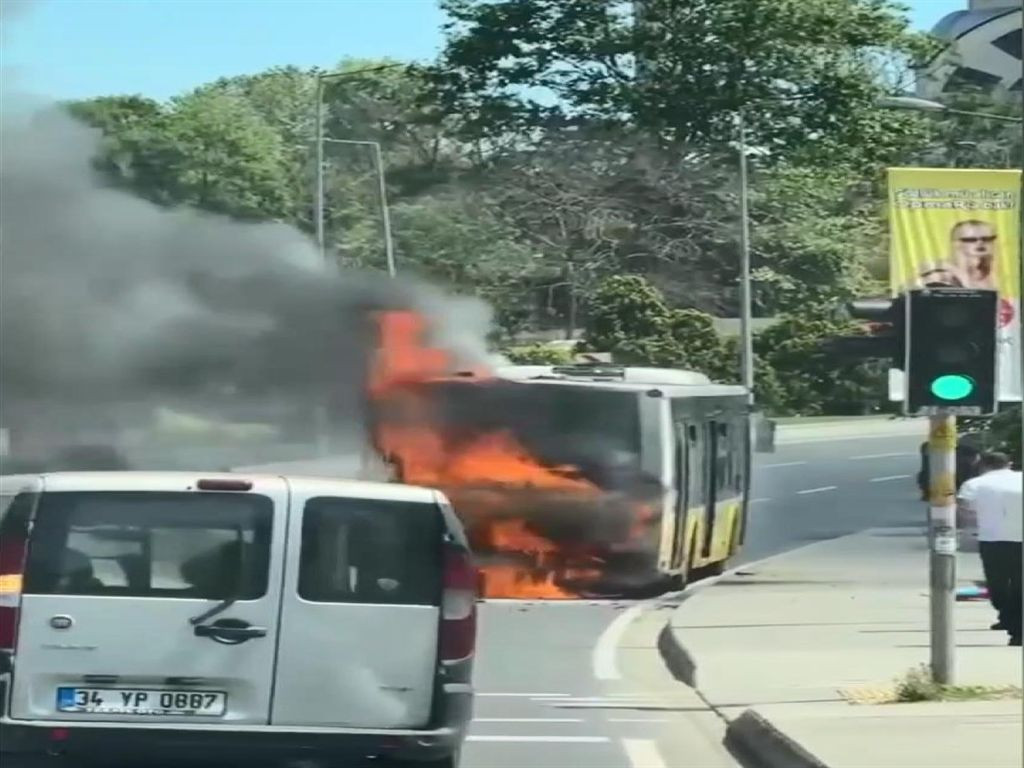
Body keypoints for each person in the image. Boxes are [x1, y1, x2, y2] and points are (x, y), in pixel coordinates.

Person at [957, 452, 1022, 646]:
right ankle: (1015, 624)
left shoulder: (974, 484)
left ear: (981, 464)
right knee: (1020, 584)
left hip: (992, 541)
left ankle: (1011, 620)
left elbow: (964, 511)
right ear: (1009, 464)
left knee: (997, 584)